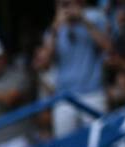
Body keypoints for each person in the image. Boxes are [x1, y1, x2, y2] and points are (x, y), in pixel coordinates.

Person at [43, 0, 112, 136]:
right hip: (65, 97)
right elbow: (45, 63)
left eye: (69, 3)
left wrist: (83, 20)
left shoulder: (94, 18)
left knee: (100, 144)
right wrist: (56, 29)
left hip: (93, 93)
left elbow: (108, 48)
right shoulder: (53, 30)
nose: (67, 8)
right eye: (63, 5)